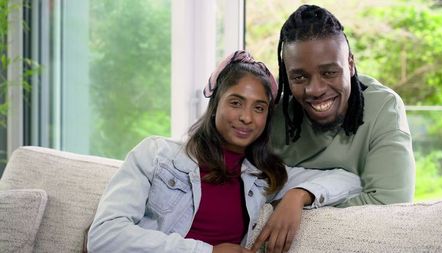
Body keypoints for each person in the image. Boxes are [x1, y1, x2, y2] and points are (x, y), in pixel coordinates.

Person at [87, 50, 361, 253]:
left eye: (259, 108)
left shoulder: (265, 177)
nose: (246, 117)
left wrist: (297, 197)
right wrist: (209, 252)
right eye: (236, 102)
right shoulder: (156, 156)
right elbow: (104, 236)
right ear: (216, 104)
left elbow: (349, 180)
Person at [271, 4, 415, 207]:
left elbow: (390, 204)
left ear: (350, 65)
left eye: (329, 72)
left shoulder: (383, 107)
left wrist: (300, 201)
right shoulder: (275, 114)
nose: (315, 89)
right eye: (300, 76)